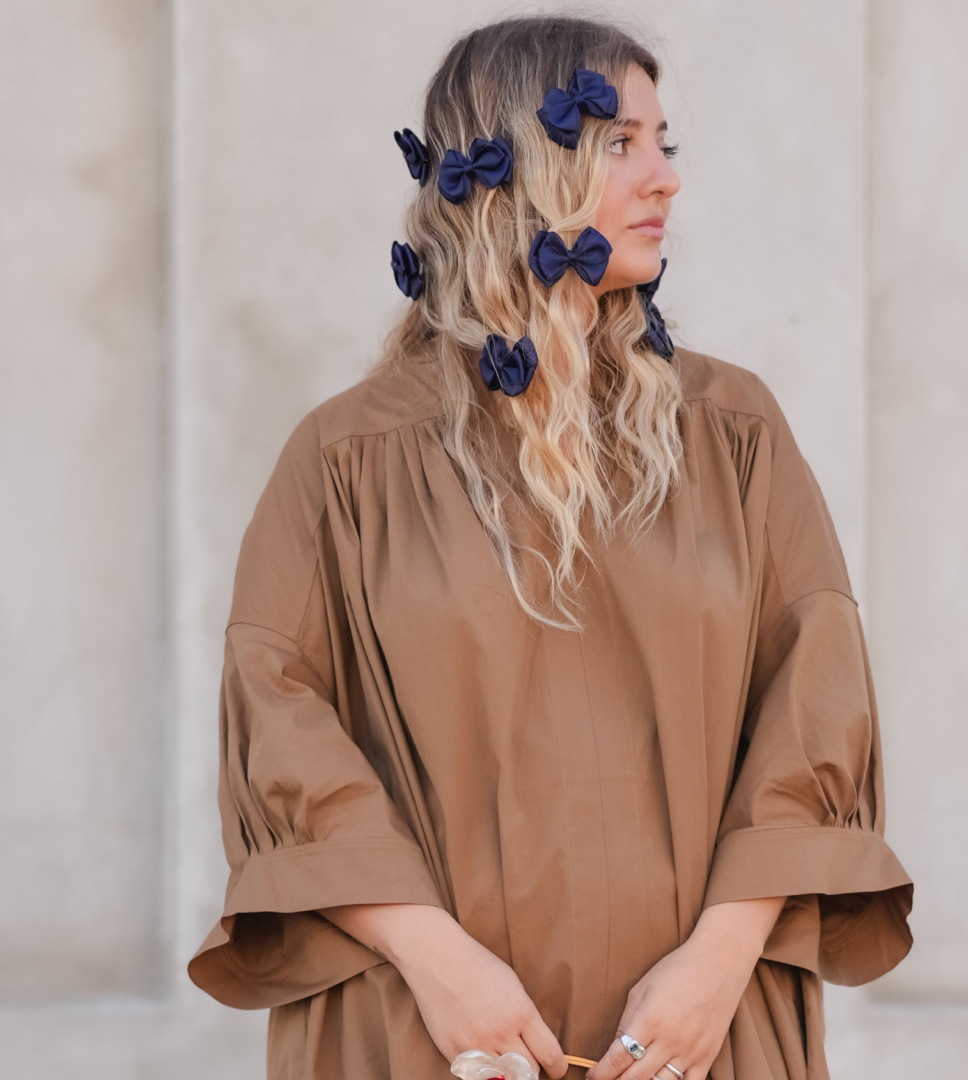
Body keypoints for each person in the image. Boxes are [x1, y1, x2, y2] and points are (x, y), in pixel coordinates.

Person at [188, 15, 913, 1080]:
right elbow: (279, 720)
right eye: (620, 142)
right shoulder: (345, 460)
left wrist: (719, 962)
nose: (666, 178)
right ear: (512, 166)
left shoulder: (734, 432)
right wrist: (435, 961)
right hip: (428, 1033)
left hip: (695, 1039)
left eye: (666, 143)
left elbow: (816, 702)